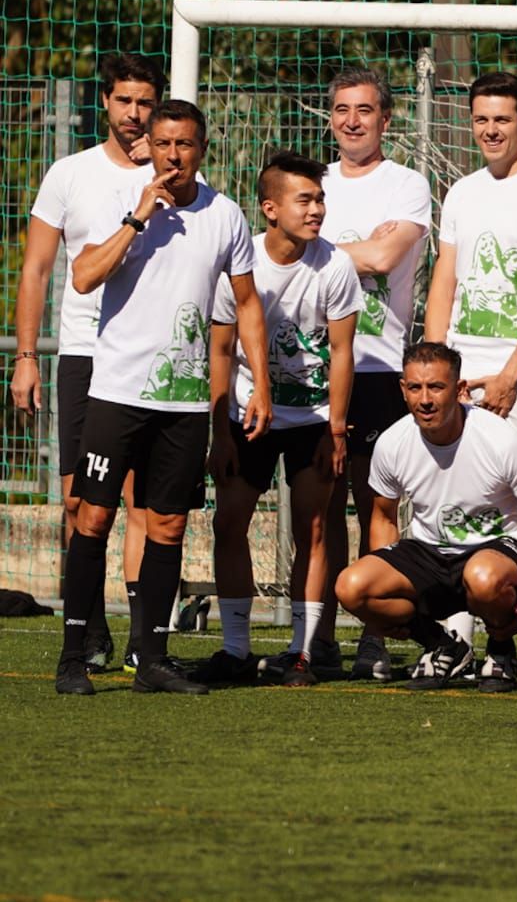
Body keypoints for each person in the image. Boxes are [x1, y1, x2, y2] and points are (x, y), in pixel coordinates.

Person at [55, 99, 270, 696]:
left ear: (202, 150)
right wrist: (136, 220)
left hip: (183, 403)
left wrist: (262, 385)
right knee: (93, 517)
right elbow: (82, 277)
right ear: (147, 145)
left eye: (187, 144)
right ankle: (74, 655)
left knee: (169, 526)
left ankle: (152, 657)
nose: (174, 155)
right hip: (117, 393)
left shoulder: (225, 215)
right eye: (164, 143)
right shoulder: (122, 203)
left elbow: (248, 304)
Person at [424, 71, 517, 668]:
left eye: (503, 119)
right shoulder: (461, 192)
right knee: (452, 501)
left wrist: (513, 372)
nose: (491, 129)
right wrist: (437, 364)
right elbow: (446, 278)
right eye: (482, 119)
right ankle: (453, 640)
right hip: (461, 369)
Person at [191, 153, 361, 687]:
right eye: (304, 199)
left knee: (313, 529)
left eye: (320, 199)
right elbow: (220, 351)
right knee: (229, 522)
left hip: (312, 419)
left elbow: (341, 352)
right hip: (248, 414)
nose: (317, 210)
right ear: (270, 208)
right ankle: (236, 648)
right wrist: (220, 430)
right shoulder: (241, 267)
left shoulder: (334, 265)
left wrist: (336, 428)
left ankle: (301, 651)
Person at [14, 53, 160, 673]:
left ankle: (141, 636)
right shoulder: (69, 173)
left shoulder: (175, 176)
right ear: (105, 102)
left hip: (150, 358)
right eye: (124, 101)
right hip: (81, 355)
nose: (134, 114)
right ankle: (90, 630)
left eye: (145, 102)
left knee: (142, 506)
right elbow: (38, 269)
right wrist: (26, 357)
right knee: (80, 503)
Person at [335, 342, 517, 692]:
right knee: (352, 588)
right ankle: (441, 645)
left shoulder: (499, 439)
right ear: (402, 390)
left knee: (483, 577)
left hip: (496, 553)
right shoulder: (392, 443)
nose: (425, 399)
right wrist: (388, 595)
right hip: (431, 553)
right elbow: (383, 518)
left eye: (436, 387)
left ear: (458, 390)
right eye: (415, 387)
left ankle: (500, 647)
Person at [318, 68, 433, 682]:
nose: (353, 120)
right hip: (310, 369)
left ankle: (375, 636)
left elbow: (387, 258)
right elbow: (287, 252)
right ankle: (315, 637)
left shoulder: (407, 185)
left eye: (365, 110)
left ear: (386, 120)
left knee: (376, 509)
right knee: (319, 509)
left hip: (378, 366)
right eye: (342, 109)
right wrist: (355, 249)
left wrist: (318, 251)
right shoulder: (312, 182)